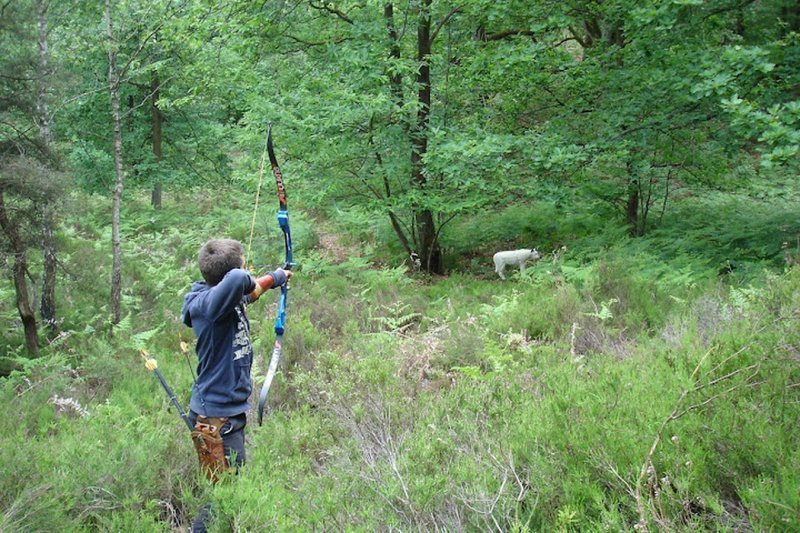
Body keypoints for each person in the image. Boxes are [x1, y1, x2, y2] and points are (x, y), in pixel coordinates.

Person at [181, 238, 291, 531]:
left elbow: (248, 292)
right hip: (217, 418)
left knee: (225, 490)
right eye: (243, 265)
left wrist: (275, 278)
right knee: (224, 495)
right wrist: (242, 272)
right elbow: (239, 280)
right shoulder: (209, 304)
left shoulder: (217, 299)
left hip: (220, 413)